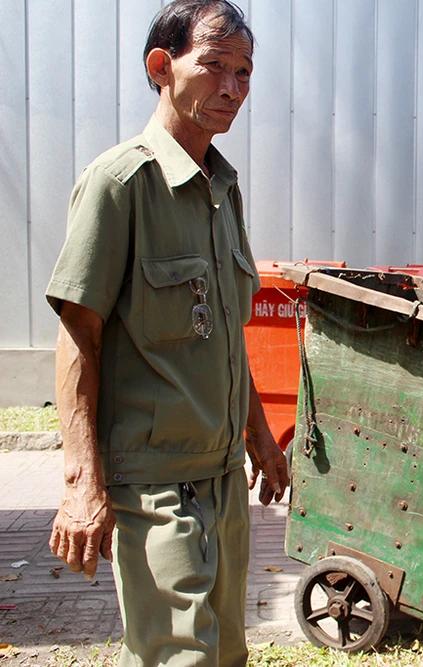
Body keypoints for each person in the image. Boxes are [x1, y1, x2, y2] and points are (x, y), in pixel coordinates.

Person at [45, 2, 290, 665]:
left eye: (244, 72)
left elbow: (224, 335)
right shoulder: (119, 184)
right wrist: (80, 481)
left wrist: (260, 436)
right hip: (154, 485)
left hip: (224, 478)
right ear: (162, 66)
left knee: (226, 652)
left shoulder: (223, 190)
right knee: (179, 656)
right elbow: (79, 335)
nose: (232, 88)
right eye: (214, 66)